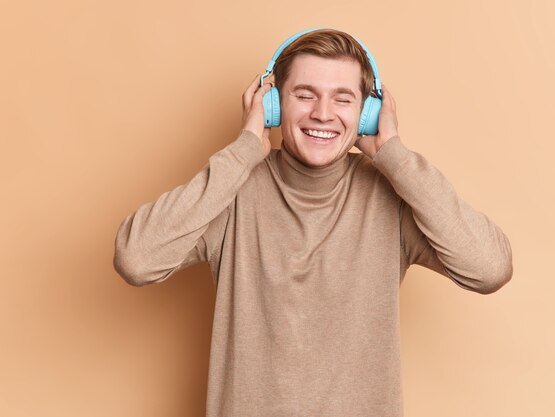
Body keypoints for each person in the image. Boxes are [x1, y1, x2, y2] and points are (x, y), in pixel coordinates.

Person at [113, 28, 513, 417]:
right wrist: (246, 147)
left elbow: (489, 268)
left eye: (343, 99)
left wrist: (394, 155)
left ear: (367, 113)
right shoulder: (231, 192)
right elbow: (137, 259)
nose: (322, 113)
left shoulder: (392, 197)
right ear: (272, 104)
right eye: (304, 95)